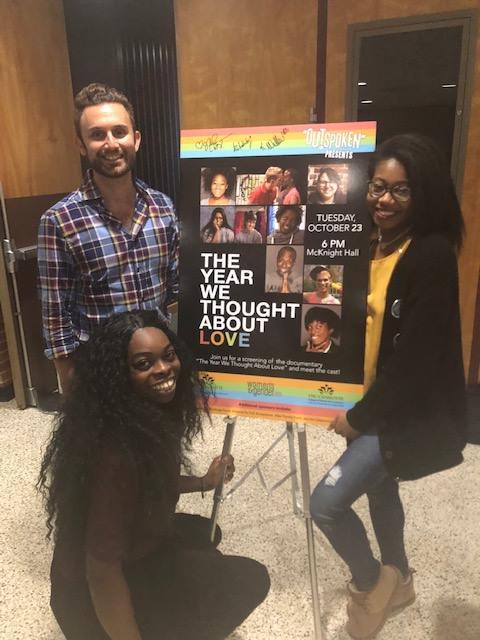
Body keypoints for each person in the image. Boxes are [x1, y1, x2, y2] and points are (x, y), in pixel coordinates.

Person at [310, 134, 467, 640]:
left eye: (401, 191)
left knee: (326, 505)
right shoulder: (370, 241)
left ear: (424, 196)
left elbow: (416, 359)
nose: (385, 199)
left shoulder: (432, 253)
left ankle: (372, 580)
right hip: (371, 396)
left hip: (399, 410)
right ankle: (401, 579)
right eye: (379, 186)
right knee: (381, 489)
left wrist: (360, 417)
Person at [38, 310, 270, 640]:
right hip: (91, 605)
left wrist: (205, 482)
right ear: (119, 375)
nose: (163, 369)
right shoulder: (117, 454)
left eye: (168, 355)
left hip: (107, 567)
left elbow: (150, 483)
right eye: (143, 363)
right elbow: (101, 570)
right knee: (252, 577)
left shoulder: (141, 417)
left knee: (207, 534)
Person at [37, 83, 179, 393]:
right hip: (101, 371)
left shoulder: (163, 207)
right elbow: (55, 315)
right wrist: (70, 387)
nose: (111, 143)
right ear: (81, 144)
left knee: (163, 440)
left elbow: (174, 287)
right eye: (97, 134)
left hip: (158, 366)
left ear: (136, 139)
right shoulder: (59, 221)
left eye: (119, 131)